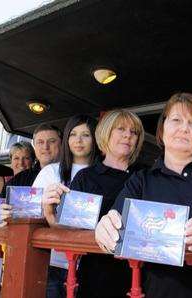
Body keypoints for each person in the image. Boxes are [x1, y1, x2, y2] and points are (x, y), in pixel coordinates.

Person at [95, 93, 192, 298]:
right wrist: (105, 225)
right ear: (162, 129)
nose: (184, 128)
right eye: (176, 120)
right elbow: (115, 216)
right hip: (158, 291)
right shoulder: (142, 180)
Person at [43, 109, 145, 297]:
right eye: (121, 129)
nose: (128, 135)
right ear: (105, 133)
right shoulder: (86, 177)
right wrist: (49, 212)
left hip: (140, 276)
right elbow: (67, 228)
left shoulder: (145, 175)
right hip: (96, 275)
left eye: (134, 132)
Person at [0, 115, 98, 298]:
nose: (78, 140)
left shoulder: (101, 173)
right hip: (52, 262)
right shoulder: (51, 171)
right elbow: (26, 211)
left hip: (90, 265)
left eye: (86, 134)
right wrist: (10, 213)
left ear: (95, 138)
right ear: (67, 139)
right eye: (73, 134)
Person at [0, 124, 62, 228]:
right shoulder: (21, 177)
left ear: (62, 144)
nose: (45, 147)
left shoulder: (76, 174)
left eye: (52, 141)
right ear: (35, 146)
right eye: (40, 142)